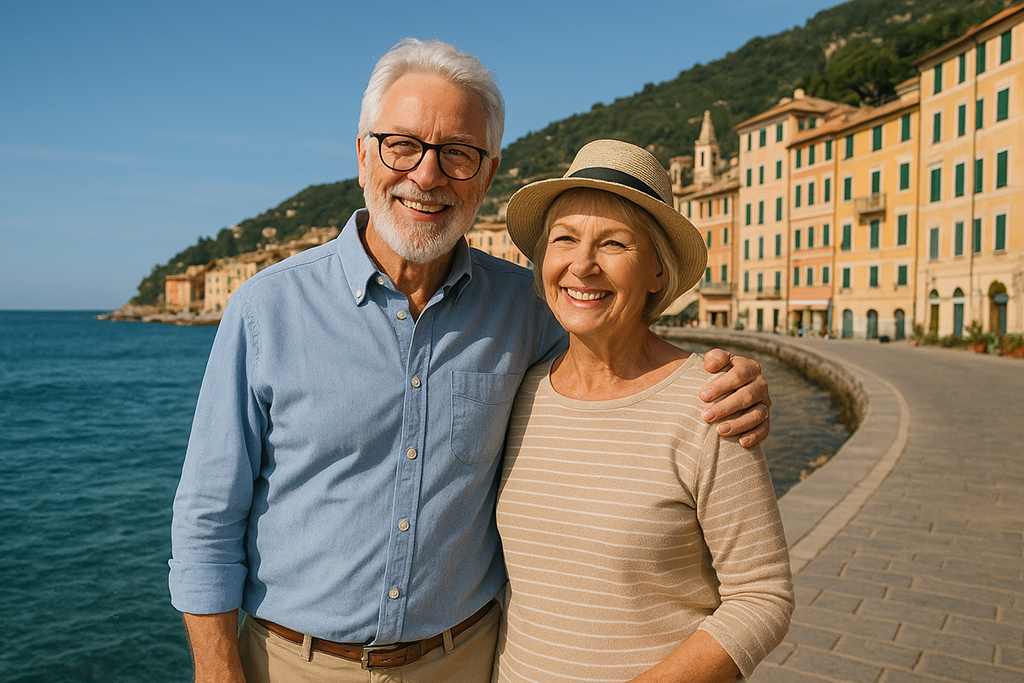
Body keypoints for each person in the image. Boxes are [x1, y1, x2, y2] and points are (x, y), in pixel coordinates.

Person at [169, 39, 773, 683]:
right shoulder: (267, 309)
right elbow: (208, 513)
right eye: (402, 144)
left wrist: (736, 383)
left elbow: (617, 361)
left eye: (457, 154)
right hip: (292, 665)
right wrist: (216, 669)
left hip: (466, 662)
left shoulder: (530, 307)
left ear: (486, 175)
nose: (427, 176)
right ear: (363, 154)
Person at [496, 140, 794, 682]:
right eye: (565, 239)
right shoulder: (520, 393)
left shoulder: (710, 403)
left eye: (613, 244)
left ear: (658, 271)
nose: (582, 265)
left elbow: (762, 596)